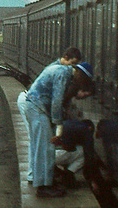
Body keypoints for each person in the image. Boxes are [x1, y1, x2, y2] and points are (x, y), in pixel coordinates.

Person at [24, 55, 75, 198]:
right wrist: (58, 123)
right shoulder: (63, 74)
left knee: (40, 147)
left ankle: (44, 181)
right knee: (46, 148)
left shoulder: (59, 69)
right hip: (38, 108)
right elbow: (57, 101)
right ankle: (44, 187)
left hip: (35, 106)